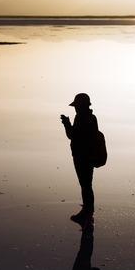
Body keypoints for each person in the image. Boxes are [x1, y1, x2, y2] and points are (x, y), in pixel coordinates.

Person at [60, 93, 98, 222]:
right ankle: (88, 209)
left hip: (82, 157)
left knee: (85, 185)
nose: (75, 108)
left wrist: (66, 124)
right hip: (89, 157)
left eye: (77, 106)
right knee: (87, 184)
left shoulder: (81, 118)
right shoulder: (92, 118)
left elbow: (72, 135)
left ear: (82, 106)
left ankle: (87, 212)